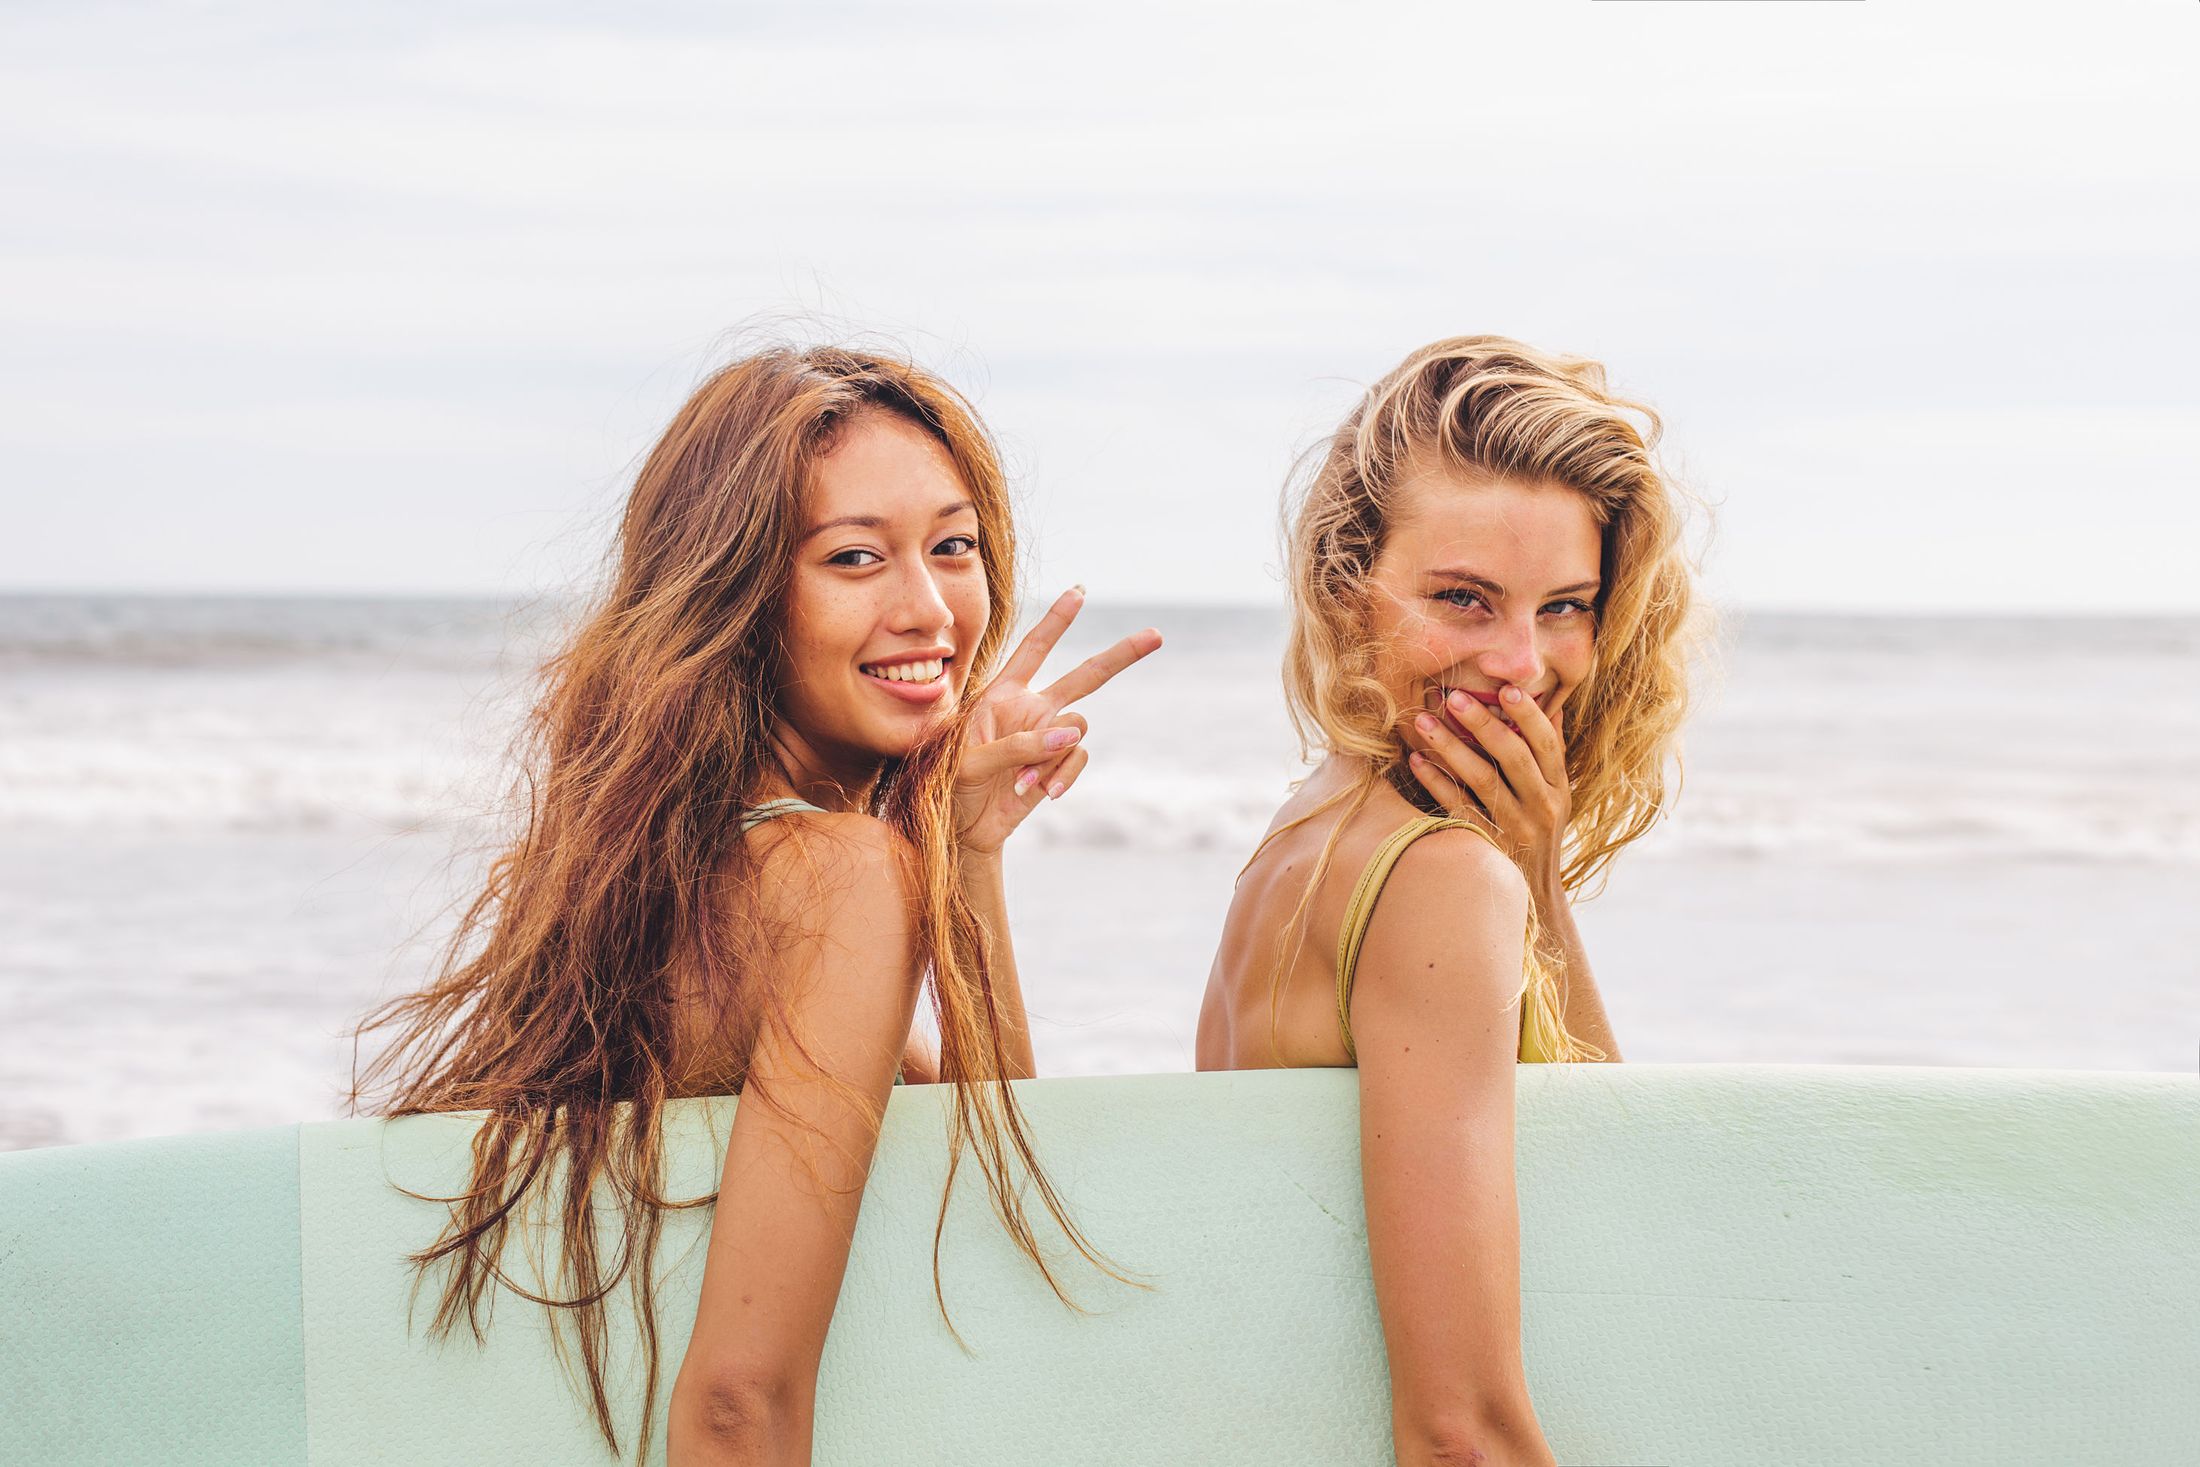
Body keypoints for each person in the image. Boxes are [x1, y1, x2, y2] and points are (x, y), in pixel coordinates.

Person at [347, 343, 1160, 1467]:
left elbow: (979, 1169)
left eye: (953, 546)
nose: (928, 609)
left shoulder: (680, 866)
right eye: (854, 557)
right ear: (737, 597)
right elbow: (735, 1401)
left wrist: (967, 849)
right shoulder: (836, 880)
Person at [1196, 335, 1702, 1466]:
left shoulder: (1313, 821)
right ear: (1345, 589)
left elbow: (1603, 1171)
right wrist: (1504, 879)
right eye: (1464, 600)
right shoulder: (1434, 880)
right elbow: (1461, 1430)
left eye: (1565, 605)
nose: (1522, 663)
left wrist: (1534, 880)